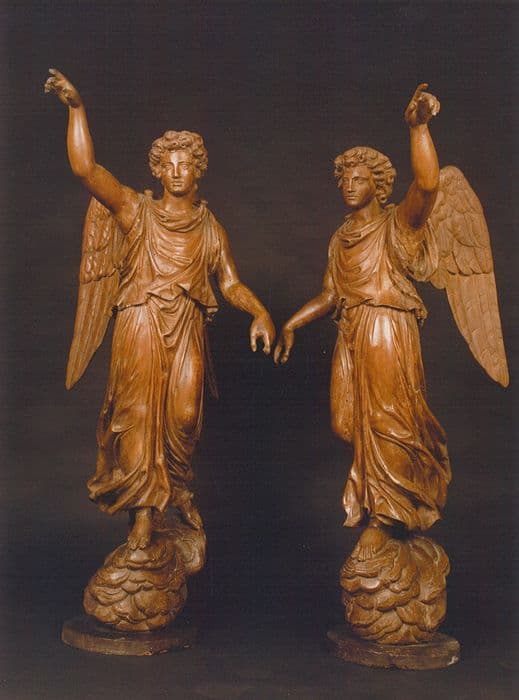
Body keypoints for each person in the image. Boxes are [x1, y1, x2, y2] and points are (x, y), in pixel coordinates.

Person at [45, 68, 275, 550]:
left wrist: (260, 312)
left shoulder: (210, 228)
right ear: (157, 170)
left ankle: (176, 492)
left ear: (198, 170)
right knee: (139, 414)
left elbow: (230, 283)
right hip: (142, 320)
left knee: (184, 417)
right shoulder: (135, 211)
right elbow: (86, 170)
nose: (176, 171)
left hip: (187, 324)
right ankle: (144, 517)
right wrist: (77, 109)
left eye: (184, 164)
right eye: (167, 164)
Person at [274, 84, 452, 554]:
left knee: (385, 420)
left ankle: (386, 515)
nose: (349, 185)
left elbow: (428, 184)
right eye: (344, 179)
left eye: (358, 178)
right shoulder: (340, 238)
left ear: (378, 184)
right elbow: (332, 294)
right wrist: (292, 323)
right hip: (351, 330)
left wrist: (418, 129)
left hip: (387, 326)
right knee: (346, 422)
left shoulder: (398, 224)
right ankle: (385, 493)